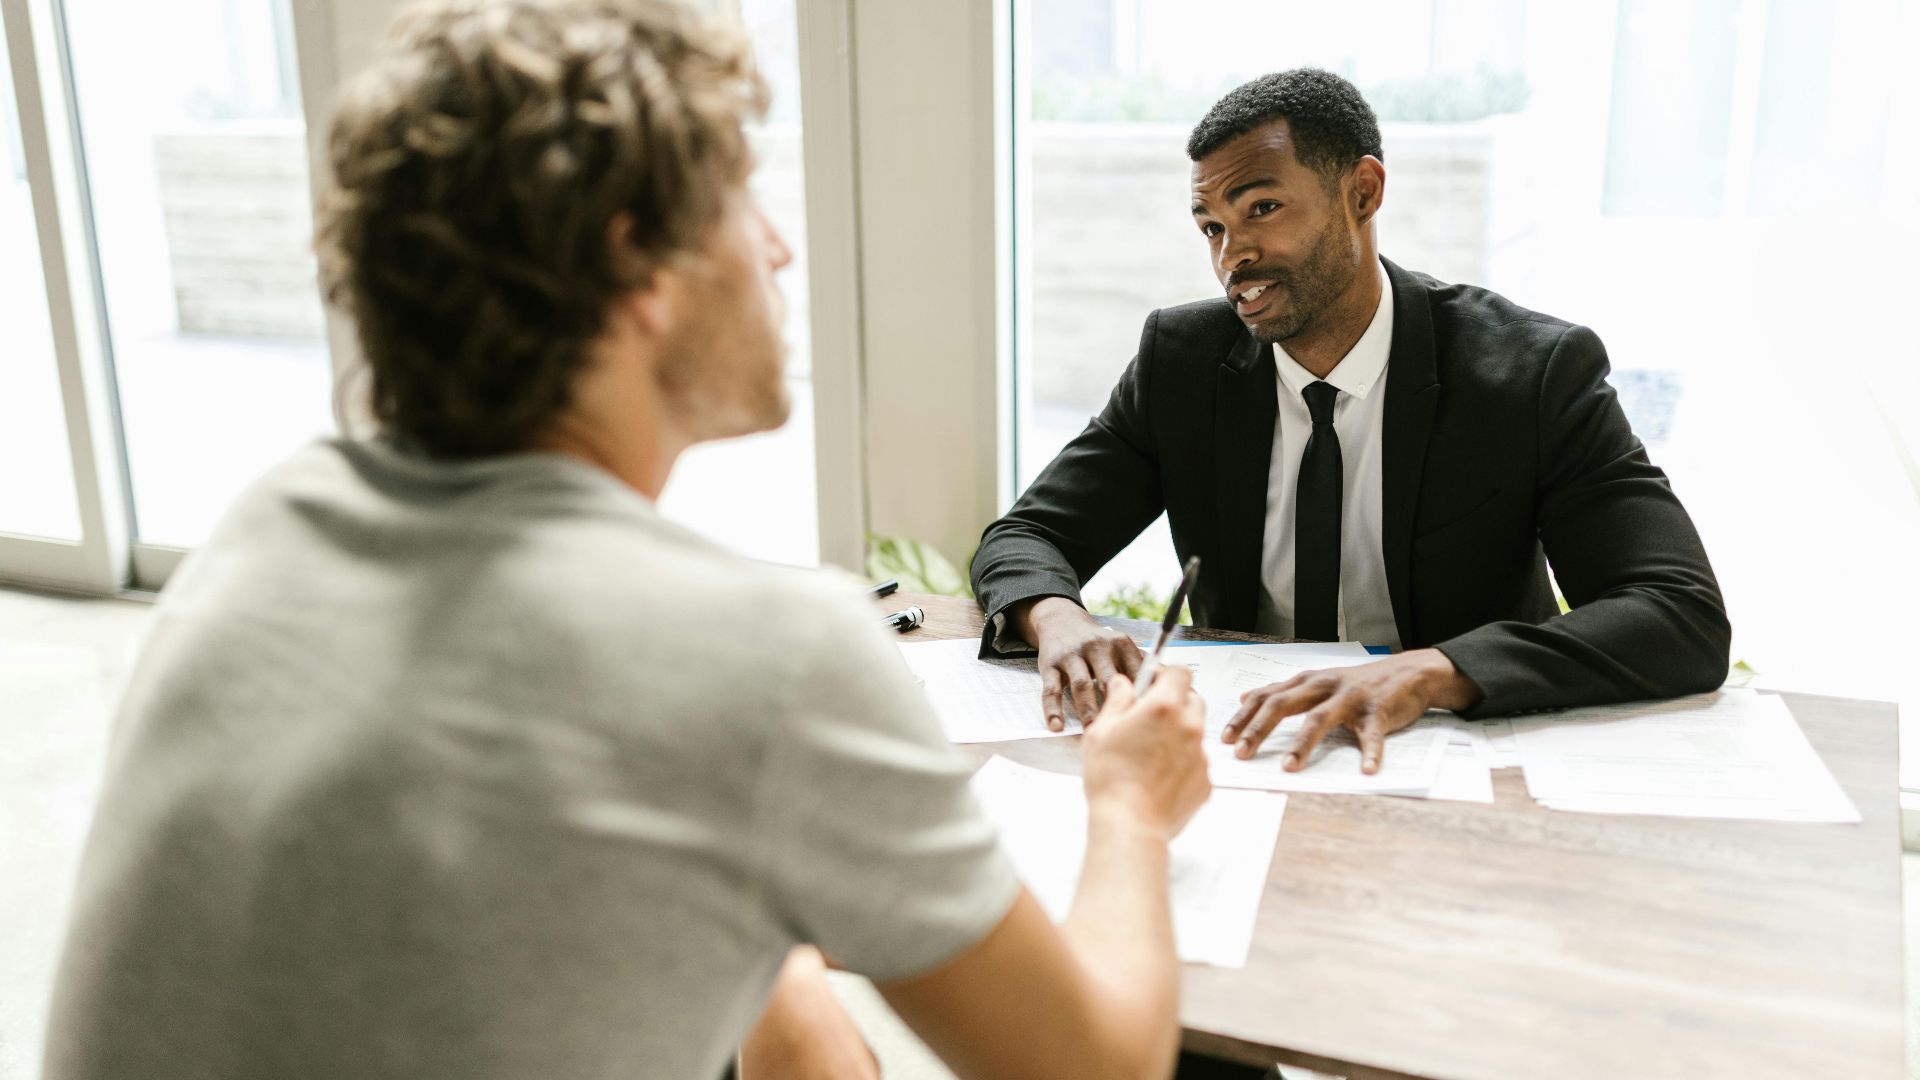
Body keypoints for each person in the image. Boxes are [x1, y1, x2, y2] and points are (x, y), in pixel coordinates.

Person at [39, 3, 1216, 1078]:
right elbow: (1098, 1067)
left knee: (784, 987)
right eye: (743, 198)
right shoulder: (768, 654)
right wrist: (1128, 808)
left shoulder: (264, 530)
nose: (777, 250)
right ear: (635, 266)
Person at [971, 68, 1731, 774]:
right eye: (1212, 226)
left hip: (1452, 756)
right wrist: (1056, 617)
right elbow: (1027, 537)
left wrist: (1437, 669)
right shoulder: (1183, 362)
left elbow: (1677, 613)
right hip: (1248, 754)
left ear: (1361, 193)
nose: (1233, 256)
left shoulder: (1530, 373)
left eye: (1262, 208)